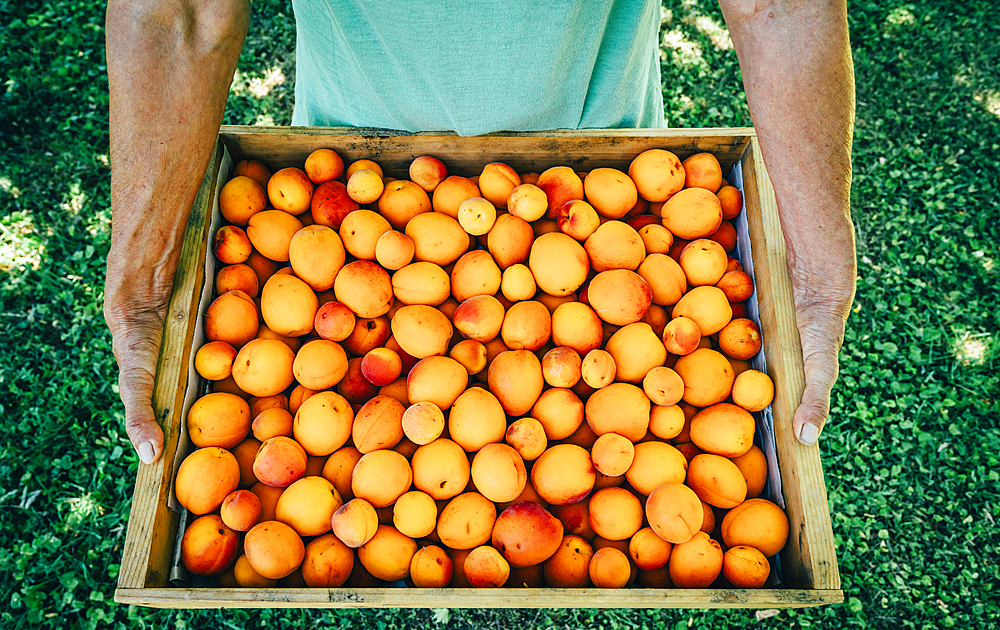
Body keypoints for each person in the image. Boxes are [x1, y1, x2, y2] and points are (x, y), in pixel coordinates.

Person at [104, 0, 856, 465]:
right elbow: (177, 13)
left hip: (607, 181)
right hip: (352, 180)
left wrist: (819, 262)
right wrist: (141, 278)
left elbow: (782, 5)